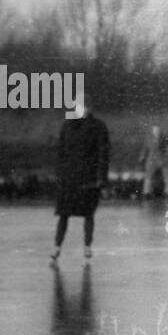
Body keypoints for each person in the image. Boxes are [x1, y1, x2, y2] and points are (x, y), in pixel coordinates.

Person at [51, 102, 110, 262]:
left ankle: (87, 247)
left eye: (85, 106)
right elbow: (60, 152)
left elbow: (103, 154)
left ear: (90, 108)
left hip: (87, 178)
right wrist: (59, 174)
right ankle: (57, 247)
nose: (82, 109)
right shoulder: (68, 125)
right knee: (64, 215)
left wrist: (101, 180)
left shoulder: (98, 126)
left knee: (88, 214)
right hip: (70, 178)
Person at [140, 124, 168, 198]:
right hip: (151, 159)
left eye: (158, 130)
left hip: (162, 159)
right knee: (148, 176)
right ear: (152, 130)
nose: (156, 131)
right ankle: (146, 192)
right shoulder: (148, 139)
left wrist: (167, 158)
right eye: (155, 130)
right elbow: (145, 149)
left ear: (160, 130)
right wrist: (142, 158)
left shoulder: (164, 138)